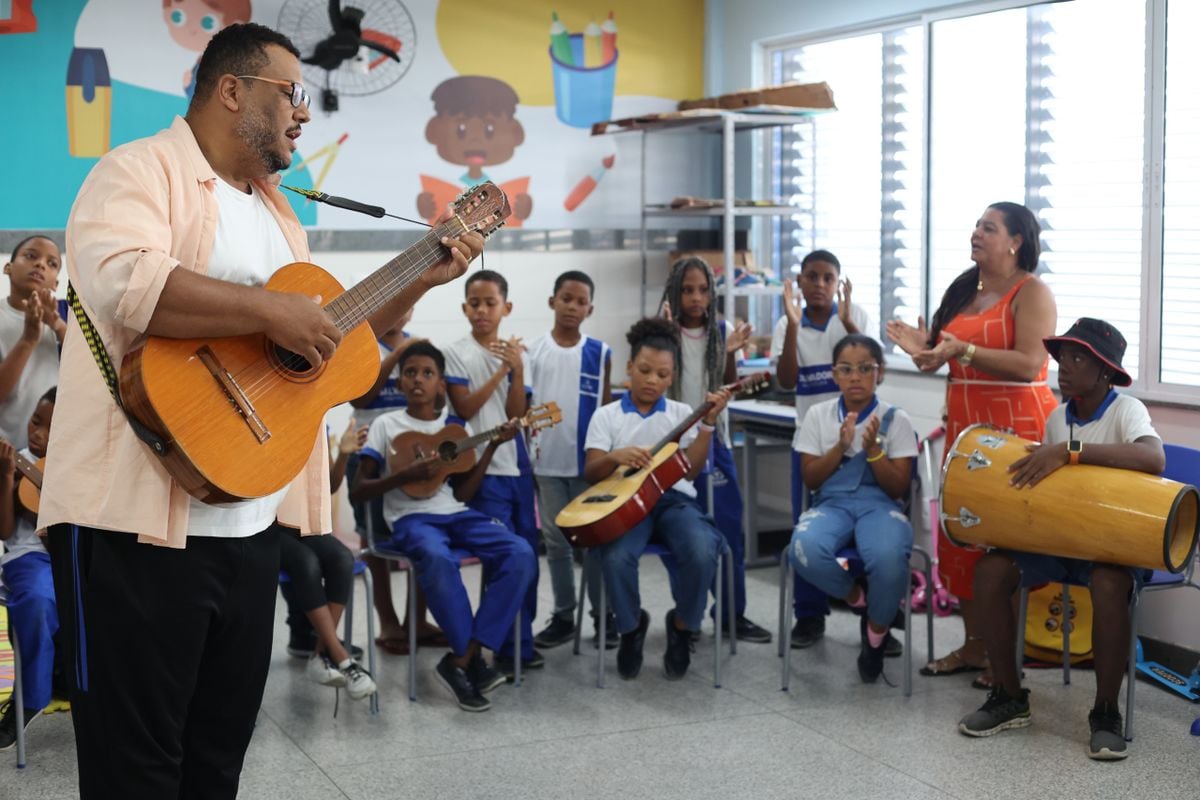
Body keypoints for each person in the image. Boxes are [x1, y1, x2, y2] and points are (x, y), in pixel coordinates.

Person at [39, 23, 483, 799]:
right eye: (292, 94)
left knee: (215, 762)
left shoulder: (281, 216)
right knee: (132, 769)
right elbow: (124, 281)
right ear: (232, 90)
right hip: (131, 531)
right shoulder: (137, 171)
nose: (302, 115)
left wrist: (419, 282)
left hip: (250, 530)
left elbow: (324, 350)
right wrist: (270, 312)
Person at [958, 318, 1161, 761]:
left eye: (1077, 358)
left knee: (1110, 583)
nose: (1063, 367)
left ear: (1106, 371)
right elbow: (1046, 492)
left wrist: (1071, 452)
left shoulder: (1126, 411)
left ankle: (1106, 711)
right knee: (992, 569)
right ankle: (1010, 697)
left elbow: (1153, 457)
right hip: (1059, 543)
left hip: (1111, 545)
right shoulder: (1056, 417)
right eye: (1061, 358)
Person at [887, 201, 1057, 687]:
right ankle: (974, 646)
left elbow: (1030, 364)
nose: (976, 233)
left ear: (1016, 241)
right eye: (976, 226)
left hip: (1015, 426)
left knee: (1003, 540)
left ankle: (1006, 656)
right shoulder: (966, 288)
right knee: (960, 535)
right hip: (965, 423)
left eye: (989, 227)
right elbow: (941, 358)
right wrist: (925, 349)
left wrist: (964, 349)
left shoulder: (1033, 292)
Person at [350, 341, 535, 712]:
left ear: (440, 385)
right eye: (410, 373)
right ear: (400, 382)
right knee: (436, 557)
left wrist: (492, 449)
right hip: (409, 519)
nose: (418, 379)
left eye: (428, 373)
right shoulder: (386, 425)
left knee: (521, 551)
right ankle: (469, 661)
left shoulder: (454, 427)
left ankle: (464, 658)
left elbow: (463, 489)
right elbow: (358, 490)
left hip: (455, 512)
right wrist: (404, 474)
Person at [585, 317, 730, 680]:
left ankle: (682, 626)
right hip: (625, 505)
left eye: (662, 374)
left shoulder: (683, 415)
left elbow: (692, 472)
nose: (652, 380)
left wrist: (708, 425)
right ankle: (631, 629)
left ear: (672, 376)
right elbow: (591, 472)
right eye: (645, 370)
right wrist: (615, 457)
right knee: (616, 557)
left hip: (673, 501)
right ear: (629, 367)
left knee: (701, 548)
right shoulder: (607, 416)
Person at [787, 336, 917, 682]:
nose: (855, 377)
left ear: (880, 372)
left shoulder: (896, 419)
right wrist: (841, 446)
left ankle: (874, 639)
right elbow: (810, 478)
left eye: (865, 368)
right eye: (846, 369)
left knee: (889, 558)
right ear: (834, 374)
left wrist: (873, 450)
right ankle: (860, 600)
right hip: (832, 504)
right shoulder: (818, 415)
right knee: (802, 548)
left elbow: (898, 488)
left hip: (880, 507)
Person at [658, 256, 771, 643]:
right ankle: (686, 616)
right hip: (673, 444)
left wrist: (730, 352)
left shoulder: (720, 330)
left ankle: (731, 614)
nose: (695, 297)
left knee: (728, 529)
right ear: (674, 291)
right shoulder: (664, 333)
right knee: (682, 535)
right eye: (687, 289)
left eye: (703, 290)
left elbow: (729, 385)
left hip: (713, 440)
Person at [771, 249, 872, 649]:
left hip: (856, 446)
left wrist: (847, 323)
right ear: (799, 282)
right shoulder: (786, 323)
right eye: (811, 277)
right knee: (805, 531)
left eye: (828, 278)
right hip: (811, 446)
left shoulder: (853, 316)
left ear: (838, 282)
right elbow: (785, 378)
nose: (819, 285)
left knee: (866, 531)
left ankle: (873, 618)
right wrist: (794, 327)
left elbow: (868, 366)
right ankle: (809, 616)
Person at [444, 269, 541, 677]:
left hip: (517, 466)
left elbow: (517, 413)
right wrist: (502, 371)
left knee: (528, 556)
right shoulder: (456, 352)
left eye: (490, 303)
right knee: (503, 558)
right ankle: (493, 643)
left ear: (507, 308)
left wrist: (516, 370)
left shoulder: (520, 355)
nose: (482, 311)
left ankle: (522, 641)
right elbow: (465, 409)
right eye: (475, 303)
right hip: (481, 470)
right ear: (464, 307)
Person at [346, 308, 447, 657]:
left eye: (405, 304)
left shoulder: (420, 347)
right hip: (371, 452)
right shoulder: (362, 345)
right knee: (374, 539)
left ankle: (416, 619)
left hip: (414, 453)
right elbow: (360, 396)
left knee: (418, 532)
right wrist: (400, 355)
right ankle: (387, 620)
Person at [528, 270, 614, 649]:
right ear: (552, 301)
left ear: (590, 308)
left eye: (580, 301)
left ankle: (603, 615)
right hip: (546, 464)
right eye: (566, 298)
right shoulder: (533, 351)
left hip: (589, 466)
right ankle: (564, 614)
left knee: (593, 543)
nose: (572, 307)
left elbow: (607, 409)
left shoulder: (600, 353)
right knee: (557, 543)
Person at [278, 417, 376, 700]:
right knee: (306, 563)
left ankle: (320, 655)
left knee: (342, 557)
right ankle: (341, 658)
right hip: (266, 527)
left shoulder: (317, 424)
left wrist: (343, 454)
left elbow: (328, 487)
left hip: (302, 523)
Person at [0, 387, 57, 750]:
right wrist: (6, 478)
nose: (37, 433)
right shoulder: (17, 459)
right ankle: (32, 697)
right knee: (37, 601)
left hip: (73, 559)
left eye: (49, 428)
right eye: (35, 421)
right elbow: (4, 531)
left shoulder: (78, 467)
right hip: (27, 557)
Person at [0, 235, 64, 450]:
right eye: (31, 256)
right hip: (7, 457)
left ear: (56, 283)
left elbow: (92, 373)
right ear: (8, 267)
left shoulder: (66, 318)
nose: (40, 264)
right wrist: (28, 340)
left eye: (51, 263)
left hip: (49, 459)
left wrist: (56, 324)